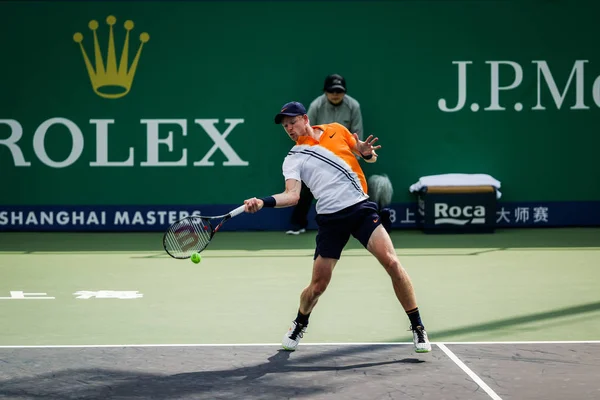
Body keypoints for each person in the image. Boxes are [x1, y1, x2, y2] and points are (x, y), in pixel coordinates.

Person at [243, 101, 431, 354]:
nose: (288, 128)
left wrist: (365, 152)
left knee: (392, 263)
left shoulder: (336, 130)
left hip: (360, 209)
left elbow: (369, 156)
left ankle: (418, 327)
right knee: (318, 286)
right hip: (331, 218)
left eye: (292, 122)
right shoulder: (294, 158)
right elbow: (292, 196)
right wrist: (262, 202)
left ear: (305, 119)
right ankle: (300, 322)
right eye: (285, 126)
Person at [285, 73, 364, 235]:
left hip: (344, 159)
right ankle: (298, 223)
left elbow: (357, 137)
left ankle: (358, 224)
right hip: (316, 156)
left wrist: (350, 164)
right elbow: (307, 133)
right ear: (325, 91)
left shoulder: (353, 106)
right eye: (331, 91)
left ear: (344, 91)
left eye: (339, 91)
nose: (335, 94)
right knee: (306, 186)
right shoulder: (316, 106)